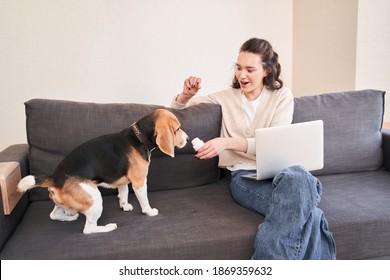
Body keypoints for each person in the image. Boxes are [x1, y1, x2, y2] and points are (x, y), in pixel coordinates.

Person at [171, 38, 336, 260]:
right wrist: (185, 95)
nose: (242, 75)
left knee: (299, 175)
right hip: (244, 176)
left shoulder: (281, 96)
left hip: (281, 173)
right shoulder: (224, 98)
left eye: (250, 69)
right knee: (311, 214)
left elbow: (275, 142)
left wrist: (227, 142)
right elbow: (179, 110)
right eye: (239, 68)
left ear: (267, 70)